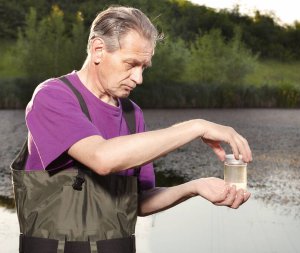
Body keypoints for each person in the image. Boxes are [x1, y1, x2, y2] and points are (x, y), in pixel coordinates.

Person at [11, 6, 252, 253]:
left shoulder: (131, 114)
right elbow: (102, 158)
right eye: (131, 64)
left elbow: (139, 202)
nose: (138, 78)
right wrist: (197, 126)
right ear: (98, 50)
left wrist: (193, 187)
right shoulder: (52, 96)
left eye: (144, 67)